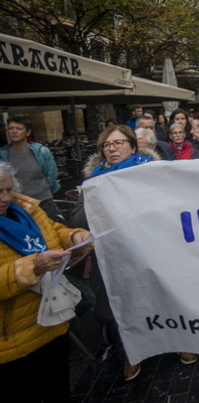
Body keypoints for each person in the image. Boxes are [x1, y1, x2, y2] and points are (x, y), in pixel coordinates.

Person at [71, 126, 197, 380]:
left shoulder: (152, 172)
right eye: (107, 145)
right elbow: (78, 220)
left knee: (164, 296)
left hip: (153, 249)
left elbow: (171, 205)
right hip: (116, 256)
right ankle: (134, 352)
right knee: (127, 305)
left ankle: (181, 341)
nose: (112, 148)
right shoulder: (93, 180)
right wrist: (92, 199)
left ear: (132, 146)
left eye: (118, 143)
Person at [0, 162, 93, 402]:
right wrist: (32, 266)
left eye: (8, 190)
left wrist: (74, 237)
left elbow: (53, 231)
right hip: (12, 341)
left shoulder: (27, 210)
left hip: (52, 323)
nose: (5, 197)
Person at [0, 116, 61, 221]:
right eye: (11, 128)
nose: (14, 131)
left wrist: (41, 193)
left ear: (27, 132)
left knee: (52, 233)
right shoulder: (3, 154)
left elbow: (51, 176)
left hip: (43, 202)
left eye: (18, 129)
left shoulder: (41, 152)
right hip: (17, 204)